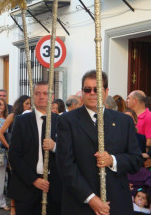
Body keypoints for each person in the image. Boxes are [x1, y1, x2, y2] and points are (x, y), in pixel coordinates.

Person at [56, 70, 143, 215]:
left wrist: (112, 160)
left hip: (117, 203)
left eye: (97, 89)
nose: (92, 93)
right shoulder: (67, 121)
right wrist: (90, 198)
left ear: (106, 91)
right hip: (80, 204)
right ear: (82, 92)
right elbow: (65, 165)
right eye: (87, 89)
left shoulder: (123, 121)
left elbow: (136, 160)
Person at [8, 81, 62, 215]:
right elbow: (14, 155)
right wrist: (33, 180)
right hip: (27, 186)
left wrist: (55, 146)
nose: (42, 97)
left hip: (53, 187)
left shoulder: (61, 122)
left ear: (52, 97)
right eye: (38, 94)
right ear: (33, 97)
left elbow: (69, 152)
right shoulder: (22, 121)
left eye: (45, 93)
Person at [0, 95, 31, 215]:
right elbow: (1, 133)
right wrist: (8, 146)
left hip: (26, 152)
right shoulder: (12, 116)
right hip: (15, 153)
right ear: (21, 104)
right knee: (15, 178)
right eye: (27, 103)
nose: (29, 106)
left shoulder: (30, 116)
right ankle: (13, 208)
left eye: (30, 103)